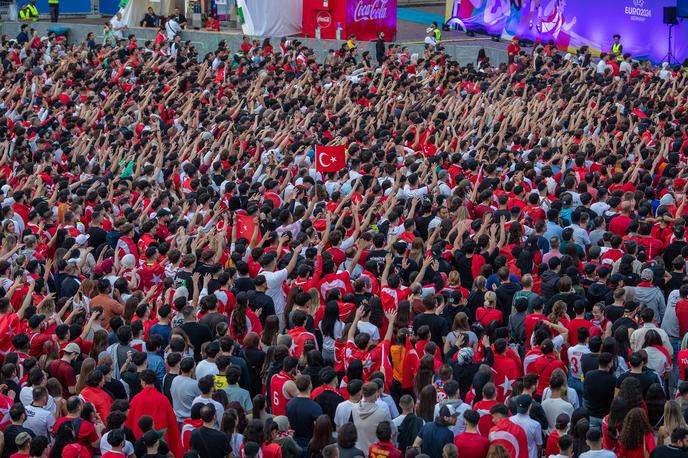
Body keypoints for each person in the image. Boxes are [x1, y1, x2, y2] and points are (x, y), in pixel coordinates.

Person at [125, 370, 181, 457]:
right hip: (160, 443)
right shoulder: (163, 399)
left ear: (143, 381)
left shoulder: (136, 399)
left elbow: (129, 421)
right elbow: (172, 423)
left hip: (141, 441)